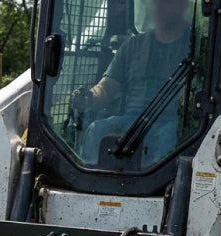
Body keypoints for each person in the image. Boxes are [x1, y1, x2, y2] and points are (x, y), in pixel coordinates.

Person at [72, 0, 193, 166]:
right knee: (97, 129)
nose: (158, 7)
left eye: (166, 2)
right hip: (132, 121)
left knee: (169, 138)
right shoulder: (133, 46)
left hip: (172, 123)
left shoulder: (195, 47)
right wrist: (89, 97)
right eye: (155, 2)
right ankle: (91, 179)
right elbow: (105, 89)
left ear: (182, 5)